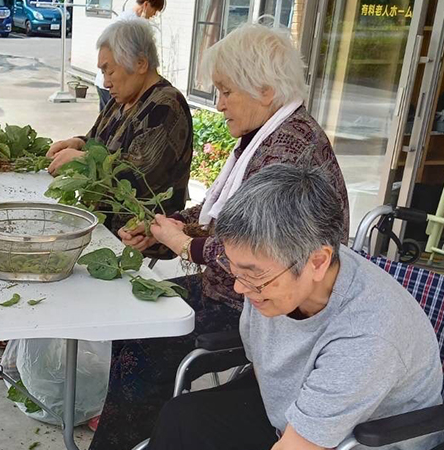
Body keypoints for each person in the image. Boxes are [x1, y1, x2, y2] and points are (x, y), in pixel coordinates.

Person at [90, 23, 350, 449]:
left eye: (227, 91)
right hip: (233, 289)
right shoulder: (263, 139)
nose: (219, 103)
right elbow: (219, 213)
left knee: (143, 337)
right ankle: (140, 430)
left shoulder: (290, 151)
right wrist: (165, 223)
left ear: (265, 89)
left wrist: (184, 244)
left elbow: (260, 261)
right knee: (133, 313)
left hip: (267, 305)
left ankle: (131, 438)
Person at [149, 164, 444, 450]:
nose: (240, 287)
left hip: (359, 439)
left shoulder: (369, 334)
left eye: (253, 273)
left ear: (318, 262)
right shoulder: (275, 274)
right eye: (234, 268)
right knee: (181, 419)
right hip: (290, 411)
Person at [47, 18, 193, 236]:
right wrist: (78, 143)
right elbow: (97, 142)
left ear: (141, 64)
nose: (105, 83)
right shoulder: (121, 100)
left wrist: (82, 159)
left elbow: (135, 175)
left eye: (109, 71)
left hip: (140, 232)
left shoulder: (166, 105)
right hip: (103, 220)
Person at [95, 0, 165, 112]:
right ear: (146, 4)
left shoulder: (163, 106)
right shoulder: (131, 26)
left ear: (141, 64)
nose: (154, 15)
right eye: (155, 10)